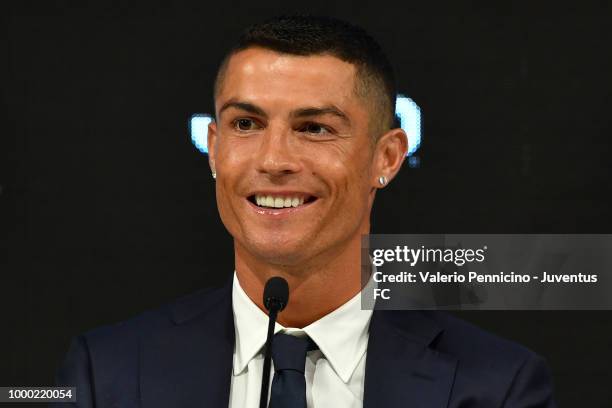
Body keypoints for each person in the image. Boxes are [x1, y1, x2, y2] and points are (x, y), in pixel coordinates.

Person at [53, 15, 557, 408]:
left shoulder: (497, 387)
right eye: (246, 124)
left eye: (314, 128)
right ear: (213, 147)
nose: (273, 160)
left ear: (386, 158)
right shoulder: (107, 371)